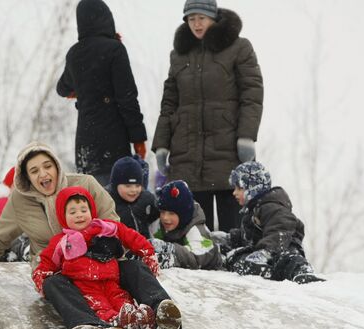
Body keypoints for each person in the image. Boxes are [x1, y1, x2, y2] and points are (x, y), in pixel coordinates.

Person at [0, 141, 182, 329]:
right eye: (34, 170)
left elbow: (112, 221)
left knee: (134, 268)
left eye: (47, 166)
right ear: (26, 176)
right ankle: (91, 328)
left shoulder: (85, 185)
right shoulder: (20, 201)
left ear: (56, 166)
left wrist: (106, 244)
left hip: (103, 261)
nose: (42, 173)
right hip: (61, 272)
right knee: (54, 284)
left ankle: (163, 313)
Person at [151, 0, 263, 232]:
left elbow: (251, 95)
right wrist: (161, 144)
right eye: (191, 19)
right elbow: (169, 103)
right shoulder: (179, 55)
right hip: (188, 155)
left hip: (227, 151)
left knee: (233, 231)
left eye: (201, 17)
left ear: (213, 17)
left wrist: (246, 137)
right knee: (196, 233)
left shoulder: (238, 48)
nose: (197, 24)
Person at [33, 186, 158, 329]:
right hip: (85, 286)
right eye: (72, 212)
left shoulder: (105, 228)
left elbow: (130, 235)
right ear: (63, 217)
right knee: (100, 306)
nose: (79, 215)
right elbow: (46, 261)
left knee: (121, 301)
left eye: (83, 210)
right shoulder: (62, 241)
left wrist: (147, 251)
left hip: (111, 281)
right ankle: (112, 325)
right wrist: (41, 277)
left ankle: (137, 323)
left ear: (91, 211)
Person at [56, 0, 148, 185]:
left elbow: (62, 88)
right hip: (114, 139)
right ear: (107, 19)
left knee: (91, 201)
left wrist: (82, 90)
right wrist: (138, 138)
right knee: (116, 203)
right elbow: (128, 97)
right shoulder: (115, 49)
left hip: (85, 142)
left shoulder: (74, 53)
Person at [222, 161, 325, 284]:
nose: (234, 192)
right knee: (237, 257)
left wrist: (266, 251)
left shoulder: (271, 206)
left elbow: (280, 228)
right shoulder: (253, 211)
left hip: (283, 246)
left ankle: (302, 271)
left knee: (287, 260)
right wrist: (231, 238)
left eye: (239, 188)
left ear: (253, 188)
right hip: (264, 254)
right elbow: (250, 235)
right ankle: (263, 271)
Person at [151, 180, 222, 270]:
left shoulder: (195, 229)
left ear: (183, 214)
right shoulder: (163, 226)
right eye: (162, 212)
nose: (165, 217)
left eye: (171, 213)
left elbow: (196, 258)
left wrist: (170, 250)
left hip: (212, 276)